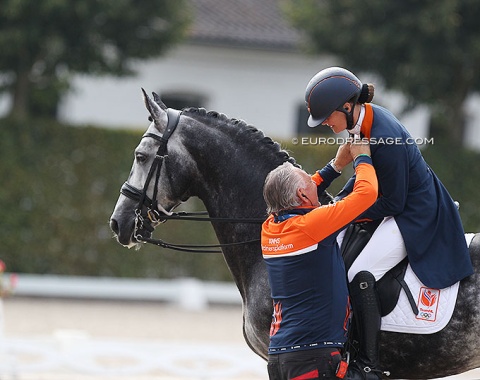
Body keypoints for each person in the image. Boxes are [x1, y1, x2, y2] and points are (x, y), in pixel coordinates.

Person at [304, 66, 474, 379]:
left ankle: (368, 364)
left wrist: (341, 211)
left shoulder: (383, 134)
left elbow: (392, 202)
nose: (325, 123)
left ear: (346, 106)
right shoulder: (362, 121)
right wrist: (339, 203)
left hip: (414, 214)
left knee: (359, 274)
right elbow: (362, 176)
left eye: (327, 116)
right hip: (394, 205)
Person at [261, 140, 378, 380]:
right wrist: (362, 158)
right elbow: (367, 193)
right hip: (313, 354)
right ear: (302, 194)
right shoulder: (312, 225)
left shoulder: (269, 228)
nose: (315, 184)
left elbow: (305, 189)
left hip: (279, 356)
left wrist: (335, 166)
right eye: (308, 182)